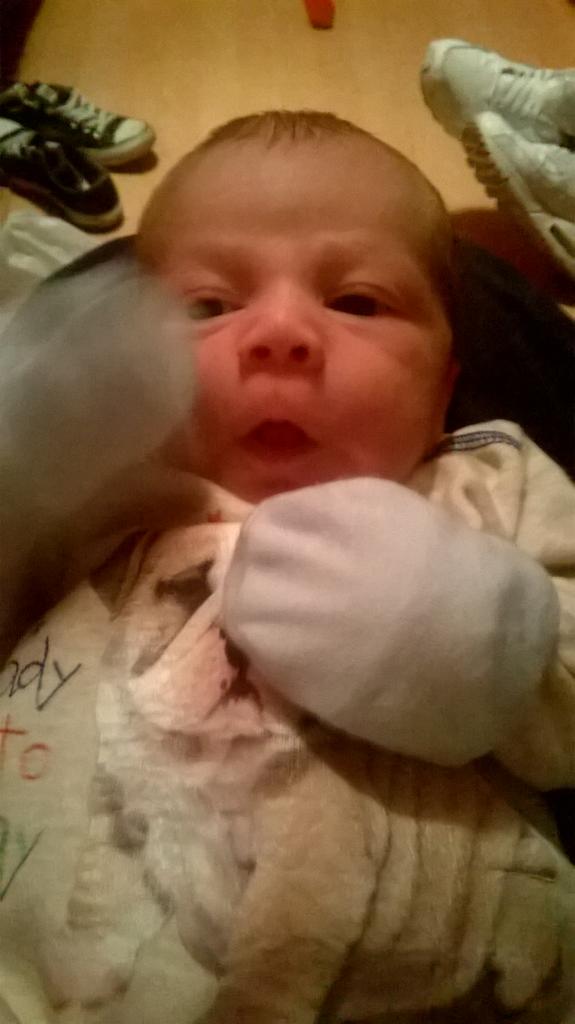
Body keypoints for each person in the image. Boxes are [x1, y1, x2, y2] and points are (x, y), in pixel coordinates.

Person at [1, 110, 574, 1023]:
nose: (277, 333)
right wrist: (31, 445)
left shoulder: (487, 486)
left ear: (444, 388)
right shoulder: (98, 488)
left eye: (357, 302)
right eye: (205, 308)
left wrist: (471, 633)